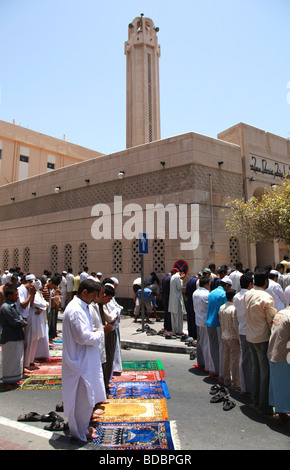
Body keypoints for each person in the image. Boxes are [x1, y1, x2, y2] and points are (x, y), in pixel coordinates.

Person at [62, 279, 106, 442]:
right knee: (82, 400)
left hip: (85, 360)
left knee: (86, 398)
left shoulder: (83, 307)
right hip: (79, 362)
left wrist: (93, 332)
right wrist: (99, 333)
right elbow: (83, 337)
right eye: (93, 295)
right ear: (84, 292)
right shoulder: (75, 310)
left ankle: (83, 427)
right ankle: (80, 432)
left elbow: (85, 332)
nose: (95, 299)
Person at [243, 270, 277, 415]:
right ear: (265, 282)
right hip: (262, 337)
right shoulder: (266, 297)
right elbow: (271, 320)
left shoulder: (247, 294)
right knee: (264, 372)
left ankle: (256, 399)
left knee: (255, 369)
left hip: (250, 335)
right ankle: (264, 404)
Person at [206, 276, 232, 380]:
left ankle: (213, 370)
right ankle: (221, 373)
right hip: (217, 323)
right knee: (221, 349)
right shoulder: (223, 295)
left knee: (212, 347)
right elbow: (224, 310)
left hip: (209, 322)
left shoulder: (212, 293)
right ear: (226, 285)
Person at [0, 284, 27, 388]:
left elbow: (19, 318)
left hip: (16, 337)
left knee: (16, 360)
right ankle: (7, 382)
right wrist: (23, 323)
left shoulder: (12, 306)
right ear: (9, 296)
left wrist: (21, 322)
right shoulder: (5, 308)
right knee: (9, 360)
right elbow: (15, 322)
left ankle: (13, 380)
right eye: (15, 295)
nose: (17, 297)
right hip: (10, 337)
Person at [267, 303, 290, 425]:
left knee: (277, 385)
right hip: (283, 355)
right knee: (284, 387)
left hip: (274, 352)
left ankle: (281, 413)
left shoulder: (281, 312)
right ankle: (282, 414)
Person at [233, 274, 253, 395]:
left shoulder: (236, 297)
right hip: (249, 330)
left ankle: (244, 386)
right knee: (249, 360)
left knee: (243, 357)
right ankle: (248, 388)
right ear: (250, 284)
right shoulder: (249, 296)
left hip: (241, 328)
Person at [23, 279, 49, 372]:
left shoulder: (38, 293)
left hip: (38, 318)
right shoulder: (30, 293)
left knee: (35, 340)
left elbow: (45, 303)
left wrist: (43, 307)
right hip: (32, 316)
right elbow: (36, 303)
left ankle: (31, 361)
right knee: (30, 340)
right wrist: (43, 306)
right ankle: (26, 363)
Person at [219, 289, 240, 389]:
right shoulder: (234, 309)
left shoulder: (222, 307)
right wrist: (239, 338)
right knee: (235, 361)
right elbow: (236, 325)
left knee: (226, 359)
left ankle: (226, 379)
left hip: (225, 336)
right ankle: (235, 383)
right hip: (233, 337)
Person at [192, 277, 212, 372]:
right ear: (206, 284)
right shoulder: (207, 294)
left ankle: (201, 362)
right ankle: (208, 365)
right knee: (206, 343)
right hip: (205, 321)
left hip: (198, 320)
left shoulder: (195, 293)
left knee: (200, 342)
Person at [168, 268, 186, 336]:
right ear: (181, 273)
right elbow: (179, 287)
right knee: (178, 316)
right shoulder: (178, 277)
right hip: (177, 299)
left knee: (173, 317)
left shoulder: (173, 276)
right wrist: (181, 279)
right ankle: (179, 331)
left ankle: (174, 330)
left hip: (173, 299)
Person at [185, 272, 199, 341]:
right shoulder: (197, 281)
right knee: (194, 317)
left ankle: (190, 333)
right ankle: (195, 334)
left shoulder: (189, 280)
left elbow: (186, 292)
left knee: (189, 317)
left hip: (189, 300)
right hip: (194, 301)